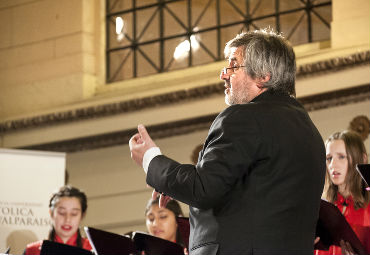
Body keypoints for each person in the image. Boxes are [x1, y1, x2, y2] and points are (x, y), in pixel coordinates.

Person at [129, 28, 326, 255]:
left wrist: (150, 159)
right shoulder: (310, 132)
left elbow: (203, 189)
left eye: (234, 65)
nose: (224, 74)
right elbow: (253, 194)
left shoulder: (243, 116)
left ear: (264, 76)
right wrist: (175, 184)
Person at [315, 130, 370, 255]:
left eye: (341, 157)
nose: (332, 165)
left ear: (362, 158)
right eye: (329, 158)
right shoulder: (320, 208)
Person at [24, 185, 92, 255]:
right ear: (51, 213)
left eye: (74, 214)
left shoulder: (93, 249)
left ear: (82, 215)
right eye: (62, 213)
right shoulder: (33, 250)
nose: (67, 219)